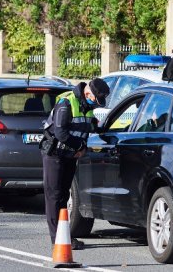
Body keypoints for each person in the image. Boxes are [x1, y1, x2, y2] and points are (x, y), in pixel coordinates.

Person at [40, 78, 110, 250]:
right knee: (54, 197)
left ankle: (64, 237)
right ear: (88, 94)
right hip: (55, 154)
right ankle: (57, 239)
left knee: (63, 196)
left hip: (70, 155)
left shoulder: (87, 107)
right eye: (96, 100)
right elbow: (60, 132)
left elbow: (90, 127)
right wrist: (80, 146)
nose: (96, 105)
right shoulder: (67, 103)